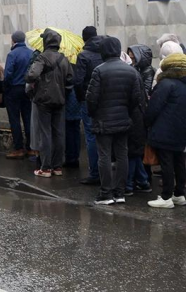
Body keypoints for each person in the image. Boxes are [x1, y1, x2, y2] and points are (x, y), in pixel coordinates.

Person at [86, 36, 143, 205]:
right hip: (124, 120)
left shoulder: (99, 71)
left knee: (104, 155)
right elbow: (136, 98)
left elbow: (91, 98)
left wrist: (93, 114)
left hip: (103, 121)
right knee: (122, 155)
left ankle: (106, 193)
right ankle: (120, 192)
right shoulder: (131, 71)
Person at [26, 29, 74, 177]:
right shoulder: (64, 59)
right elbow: (70, 80)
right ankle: (57, 167)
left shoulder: (42, 58)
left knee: (45, 133)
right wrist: (62, 92)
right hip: (60, 100)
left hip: (44, 100)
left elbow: (32, 75)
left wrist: (30, 80)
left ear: (46, 42)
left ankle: (45, 168)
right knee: (59, 133)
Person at [144, 53, 186, 208]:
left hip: (165, 130)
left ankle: (166, 197)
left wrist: (146, 122)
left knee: (166, 163)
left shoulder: (166, 84)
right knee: (179, 161)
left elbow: (153, 108)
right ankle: (179, 194)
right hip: (181, 130)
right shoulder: (183, 84)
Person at [74, 26, 104, 185]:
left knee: (91, 135)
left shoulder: (84, 55)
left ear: (84, 38)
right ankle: (107, 170)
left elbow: (78, 81)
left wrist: (81, 99)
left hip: (88, 98)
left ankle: (95, 173)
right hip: (105, 100)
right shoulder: (105, 51)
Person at [125, 44, 155, 196]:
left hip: (139, 114)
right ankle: (142, 181)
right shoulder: (136, 71)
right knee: (136, 152)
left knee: (135, 151)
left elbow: (143, 92)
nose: (131, 59)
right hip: (138, 114)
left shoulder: (147, 71)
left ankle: (134, 183)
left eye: (133, 57)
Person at [4, 31, 33, 159]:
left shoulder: (12, 54)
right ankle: (31, 147)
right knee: (28, 118)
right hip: (28, 89)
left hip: (14, 89)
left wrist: (6, 88)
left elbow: (8, 74)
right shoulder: (31, 53)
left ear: (13, 40)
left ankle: (19, 148)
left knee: (14, 119)